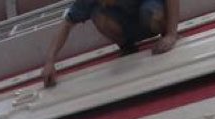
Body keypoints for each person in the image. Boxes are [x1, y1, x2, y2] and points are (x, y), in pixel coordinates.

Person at [42, 0, 179, 87]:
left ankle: (164, 33)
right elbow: (67, 24)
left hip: (150, 14)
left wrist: (171, 34)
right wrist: (49, 61)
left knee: (150, 12)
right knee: (98, 16)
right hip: (129, 23)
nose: (105, 4)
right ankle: (127, 46)